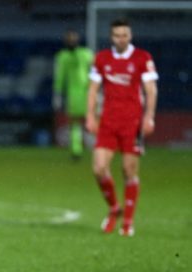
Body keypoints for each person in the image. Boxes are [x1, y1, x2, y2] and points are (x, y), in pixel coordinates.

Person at [86, 19, 158, 237]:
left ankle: (127, 221)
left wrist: (149, 117)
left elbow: (151, 90)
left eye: (125, 35)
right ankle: (114, 208)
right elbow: (92, 90)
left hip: (132, 123)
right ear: (111, 37)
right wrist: (90, 116)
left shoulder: (142, 58)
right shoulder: (101, 59)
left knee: (129, 170)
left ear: (131, 35)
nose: (121, 39)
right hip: (108, 121)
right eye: (117, 35)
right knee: (99, 168)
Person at [53, 29, 94, 159]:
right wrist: (58, 94)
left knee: (80, 122)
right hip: (76, 93)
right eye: (70, 38)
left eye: (72, 38)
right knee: (78, 122)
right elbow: (60, 77)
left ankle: (83, 148)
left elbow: (95, 73)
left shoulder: (82, 54)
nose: (71, 41)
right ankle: (77, 149)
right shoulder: (84, 54)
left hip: (85, 92)